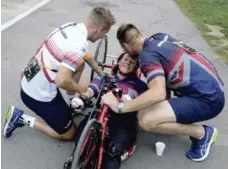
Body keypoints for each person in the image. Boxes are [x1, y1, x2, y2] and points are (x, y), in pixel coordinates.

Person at [102, 23, 225, 162]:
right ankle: (176, 118)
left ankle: (202, 134)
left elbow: (158, 93)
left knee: (145, 119)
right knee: (152, 107)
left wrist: (120, 107)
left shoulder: (146, 57)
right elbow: (165, 76)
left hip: (209, 100)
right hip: (214, 86)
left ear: (125, 46)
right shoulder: (159, 37)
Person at [3, 7, 116, 141]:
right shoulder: (78, 45)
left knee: (79, 64)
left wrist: (100, 72)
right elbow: (62, 81)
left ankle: (70, 106)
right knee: (71, 134)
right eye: (104, 33)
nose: (102, 37)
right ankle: (20, 118)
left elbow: (85, 55)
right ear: (100, 29)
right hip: (37, 96)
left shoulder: (71, 27)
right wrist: (83, 90)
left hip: (30, 80)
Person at [71, 52, 147, 169]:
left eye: (132, 62)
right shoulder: (106, 78)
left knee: (112, 154)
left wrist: (130, 100)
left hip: (123, 120)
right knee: (81, 148)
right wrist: (84, 97)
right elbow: (93, 87)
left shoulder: (139, 85)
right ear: (119, 60)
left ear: (136, 68)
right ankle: (74, 159)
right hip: (100, 114)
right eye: (126, 59)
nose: (128, 63)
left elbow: (144, 100)